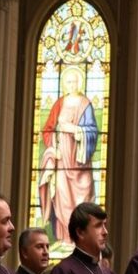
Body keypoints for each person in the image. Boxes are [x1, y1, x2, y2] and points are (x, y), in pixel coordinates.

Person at [37, 66, 99, 244]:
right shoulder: (59, 103)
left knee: (83, 195)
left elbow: (92, 131)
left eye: (75, 81)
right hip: (62, 159)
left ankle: (80, 241)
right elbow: (48, 128)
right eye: (69, 82)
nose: (72, 85)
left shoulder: (85, 104)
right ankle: (64, 238)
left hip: (79, 160)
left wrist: (76, 130)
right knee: (62, 197)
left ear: (79, 83)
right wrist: (53, 147)